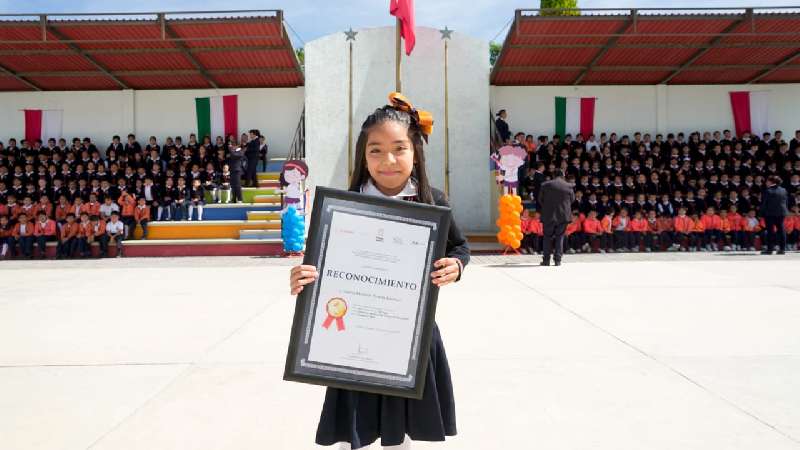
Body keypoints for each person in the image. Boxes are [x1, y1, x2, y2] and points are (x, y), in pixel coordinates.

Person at [289, 92, 469, 450]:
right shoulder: (342, 205)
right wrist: (302, 278)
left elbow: (459, 246)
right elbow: (318, 262)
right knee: (353, 428)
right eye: (375, 150)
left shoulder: (432, 201)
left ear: (415, 151)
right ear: (363, 156)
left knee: (401, 429)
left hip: (410, 334)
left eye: (399, 148)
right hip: (352, 334)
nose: (388, 160)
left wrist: (457, 265)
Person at [537, 169, 574, 266]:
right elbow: (572, 200)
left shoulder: (545, 185)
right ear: (563, 175)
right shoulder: (569, 186)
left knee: (547, 237)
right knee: (560, 237)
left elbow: (540, 200)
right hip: (563, 216)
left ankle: (546, 260)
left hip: (549, 215)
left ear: (553, 175)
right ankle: (558, 260)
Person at [759, 175, 789, 254]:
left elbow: (764, 204)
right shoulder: (783, 190)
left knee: (770, 231)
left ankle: (770, 249)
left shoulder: (768, 191)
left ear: (771, 182)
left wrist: (761, 213)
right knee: (781, 230)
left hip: (770, 213)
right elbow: (786, 202)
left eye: (767, 181)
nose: (766, 182)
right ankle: (782, 249)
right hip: (781, 212)